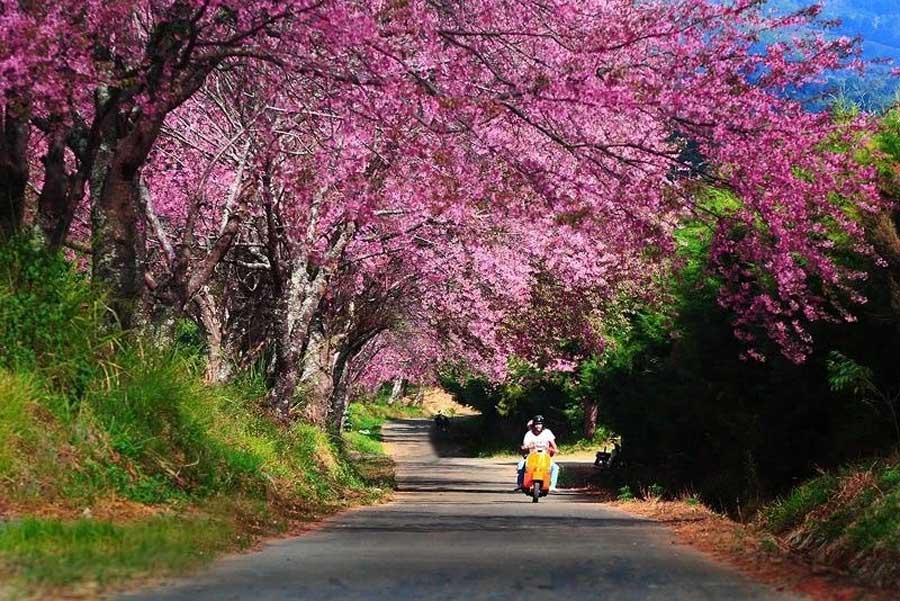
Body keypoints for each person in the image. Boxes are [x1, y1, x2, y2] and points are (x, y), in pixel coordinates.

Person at [515, 415, 560, 492]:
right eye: (536, 424)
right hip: (532, 457)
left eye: (540, 424)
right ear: (533, 425)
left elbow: (555, 448)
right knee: (521, 465)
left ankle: (552, 486)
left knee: (555, 467)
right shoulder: (529, 434)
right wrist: (528, 446)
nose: (538, 426)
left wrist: (549, 449)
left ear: (543, 425)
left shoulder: (547, 432)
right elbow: (524, 446)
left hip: (544, 458)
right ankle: (520, 484)